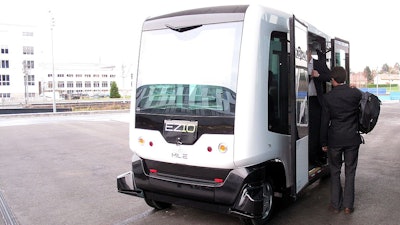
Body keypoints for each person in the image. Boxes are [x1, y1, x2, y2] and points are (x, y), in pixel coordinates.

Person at [320, 66, 363, 214]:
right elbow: (368, 100)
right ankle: (348, 206)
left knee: (335, 171)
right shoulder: (355, 94)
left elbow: (324, 122)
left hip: (335, 140)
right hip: (352, 139)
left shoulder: (328, 97)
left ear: (333, 80)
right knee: (350, 172)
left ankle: (335, 205)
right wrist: (356, 88)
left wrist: (323, 142)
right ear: (344, 79)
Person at [307, 48, 331, 167]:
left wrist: (318, 75)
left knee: (315, 130)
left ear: (310, 52)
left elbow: (329, 76)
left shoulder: (319, 64)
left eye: (306, 53)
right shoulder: (296, 63)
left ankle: (315, 156)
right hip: (300, 101)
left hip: (315, 101)